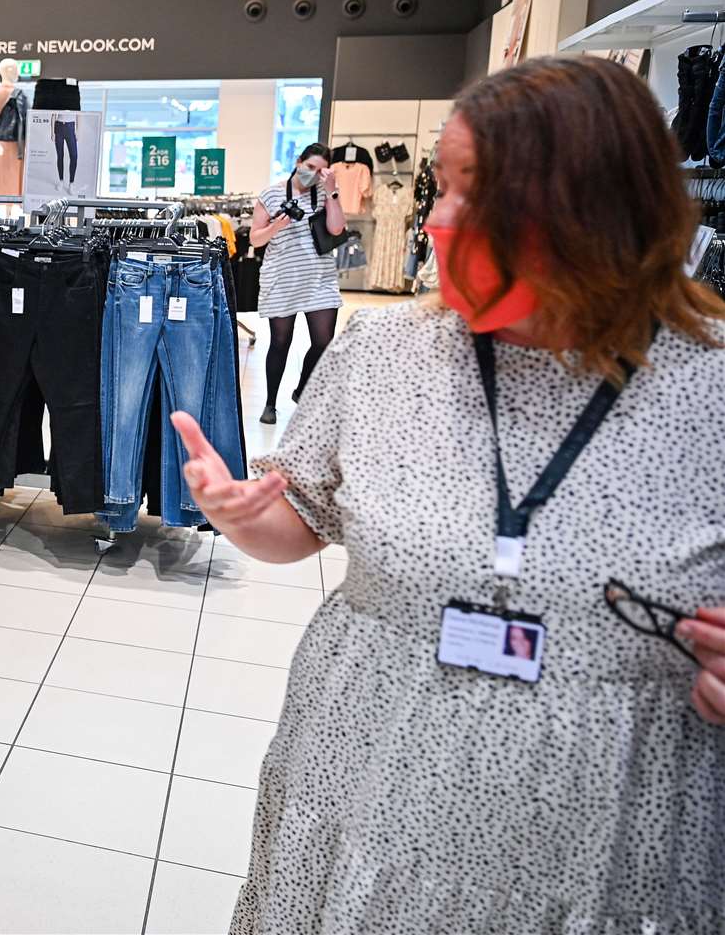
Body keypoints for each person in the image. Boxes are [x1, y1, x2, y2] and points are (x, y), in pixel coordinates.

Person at [171, 56, 725, 933]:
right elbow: (300, 519)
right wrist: (238, 515)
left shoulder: (707, 388)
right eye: (443, 185)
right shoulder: (383, 354)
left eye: (477, 191)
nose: (435, 218)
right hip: (363, 776)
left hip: (606, 823)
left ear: (596, 205)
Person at [249, 142, 345, 424]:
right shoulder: (271, 194)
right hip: (282, 278)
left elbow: (337, 228)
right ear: (298, 161)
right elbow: (255, 239)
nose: (313, 174)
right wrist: (276, 226)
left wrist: (333, 192)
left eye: (320, 171)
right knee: (280, 341)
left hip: (319, 277)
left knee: (323, 341)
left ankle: (302, 388)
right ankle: (269, 404)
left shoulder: (326, 193)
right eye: (309, 167)